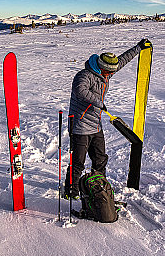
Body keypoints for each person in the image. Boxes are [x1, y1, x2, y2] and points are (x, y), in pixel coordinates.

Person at [65, 39, 151, 199]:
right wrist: (98, 102)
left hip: (96, 125)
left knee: (100, 159)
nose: (111, 75)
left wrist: (138, 47)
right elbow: (80, 91)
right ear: (101, 68)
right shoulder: (84, 75)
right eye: (109, 72)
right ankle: (71, 192)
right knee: (78, 163)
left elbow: (122, 61)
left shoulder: (106, 73)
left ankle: (98, 188)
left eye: (112, 72)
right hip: (80, 126)